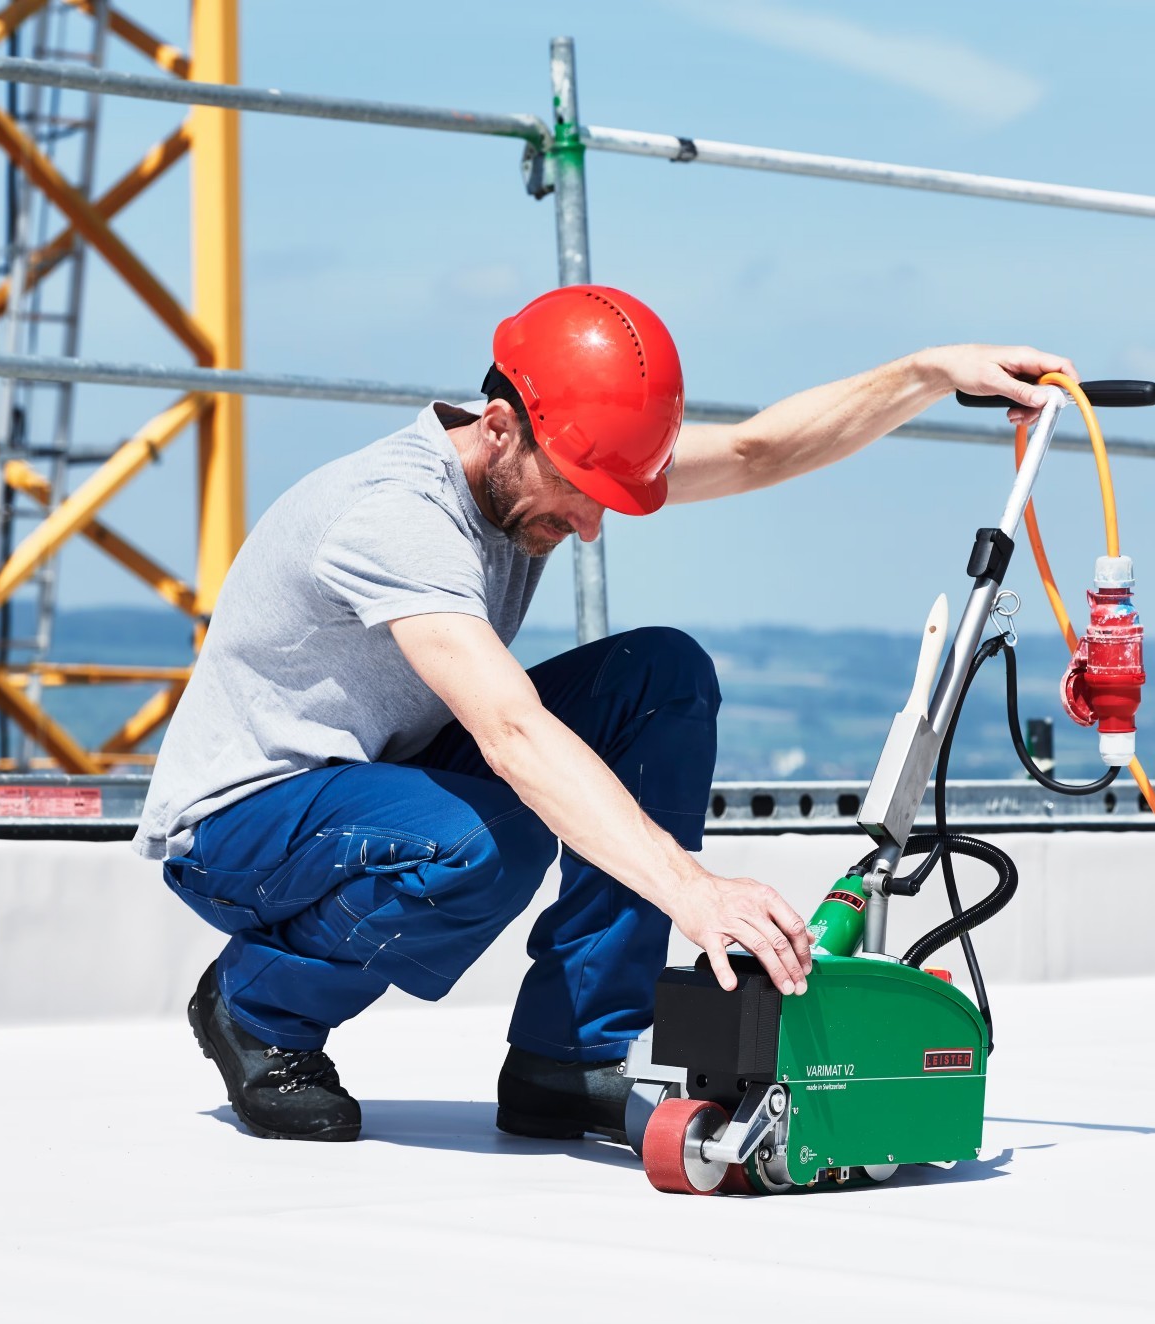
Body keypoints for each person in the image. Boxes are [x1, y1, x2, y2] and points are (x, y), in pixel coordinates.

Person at [137, 285, 1073, 1142]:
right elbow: (511, 732)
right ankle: (258, 1009)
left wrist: (927, 372)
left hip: (374, 783)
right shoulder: (397, 517)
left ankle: (570, 1052)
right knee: (486, 839)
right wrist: (694, 891)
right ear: (498, 429)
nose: (590, 527)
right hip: (241, 824)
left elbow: (753, 451)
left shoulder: (537, 459)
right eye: (580, 496)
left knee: (662, 678)